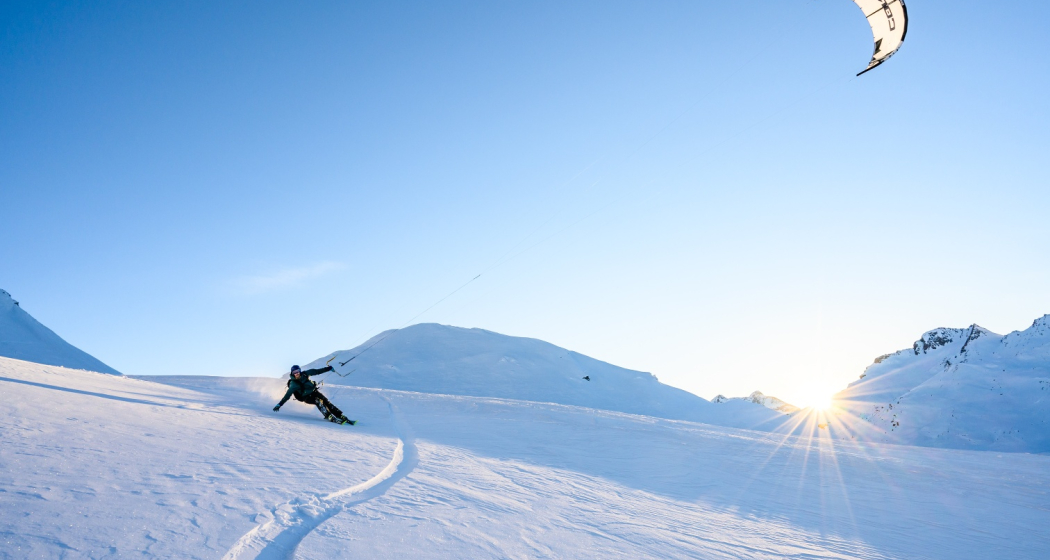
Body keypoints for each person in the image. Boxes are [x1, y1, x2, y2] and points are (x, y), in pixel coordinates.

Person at [272, 365, 354, 425]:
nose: (296, 373)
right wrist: (280, 404)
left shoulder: (305, 374)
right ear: (292, 373)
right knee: (317, 401)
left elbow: (317, 371)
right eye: (294, 372)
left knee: (326, 401)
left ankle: (339, 415)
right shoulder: (293, 384)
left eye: (297, 371)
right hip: (305, 397)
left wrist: (328, 368)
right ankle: (328, 416)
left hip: (313, 391)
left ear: (300, 371)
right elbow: (287, 395)